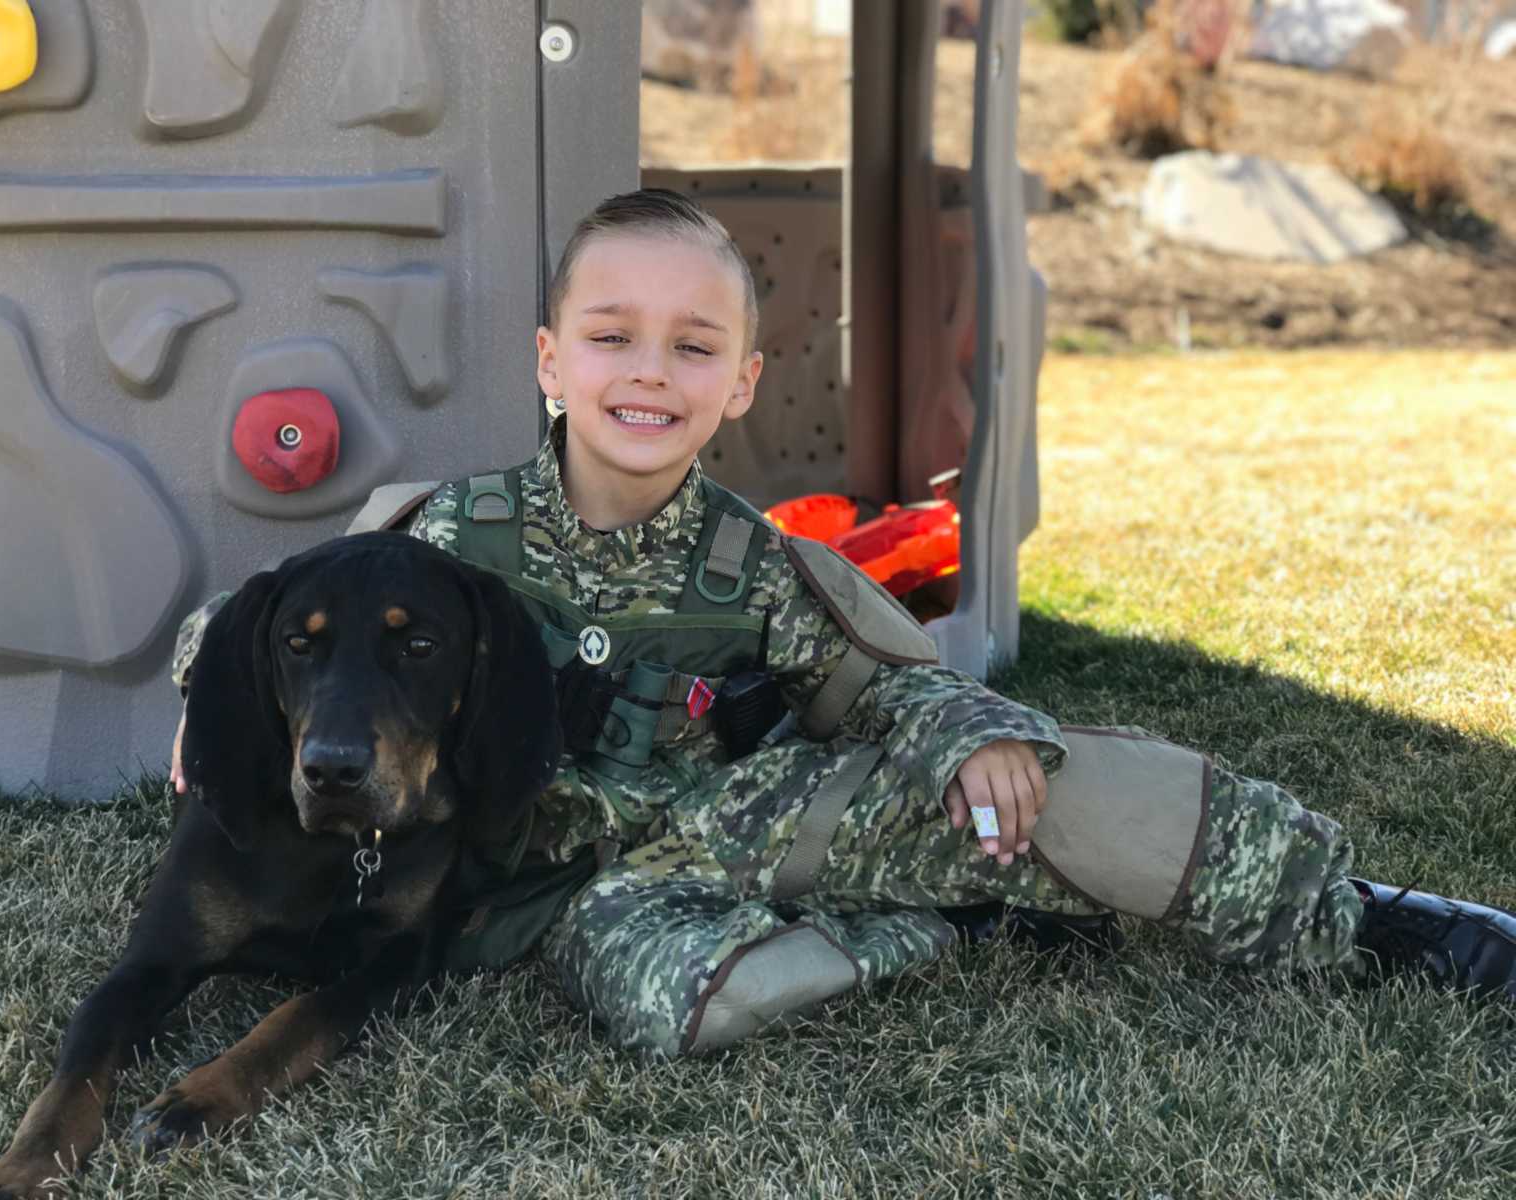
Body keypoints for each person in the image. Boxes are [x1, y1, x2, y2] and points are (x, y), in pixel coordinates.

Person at [170, 188, 1516, 1057]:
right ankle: (963, 920)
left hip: (768, 820)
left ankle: (1373, 915)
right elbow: (254, 626)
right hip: (584, 900)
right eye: (613, 337)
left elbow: (896, 679)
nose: (651, 371)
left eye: (695, 347)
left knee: (1052, 794)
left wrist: (980, 743)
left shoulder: (764, 567)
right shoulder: (444, 538)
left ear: (743, 382)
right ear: (549, 359)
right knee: (704, 1008)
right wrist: (204, 700)